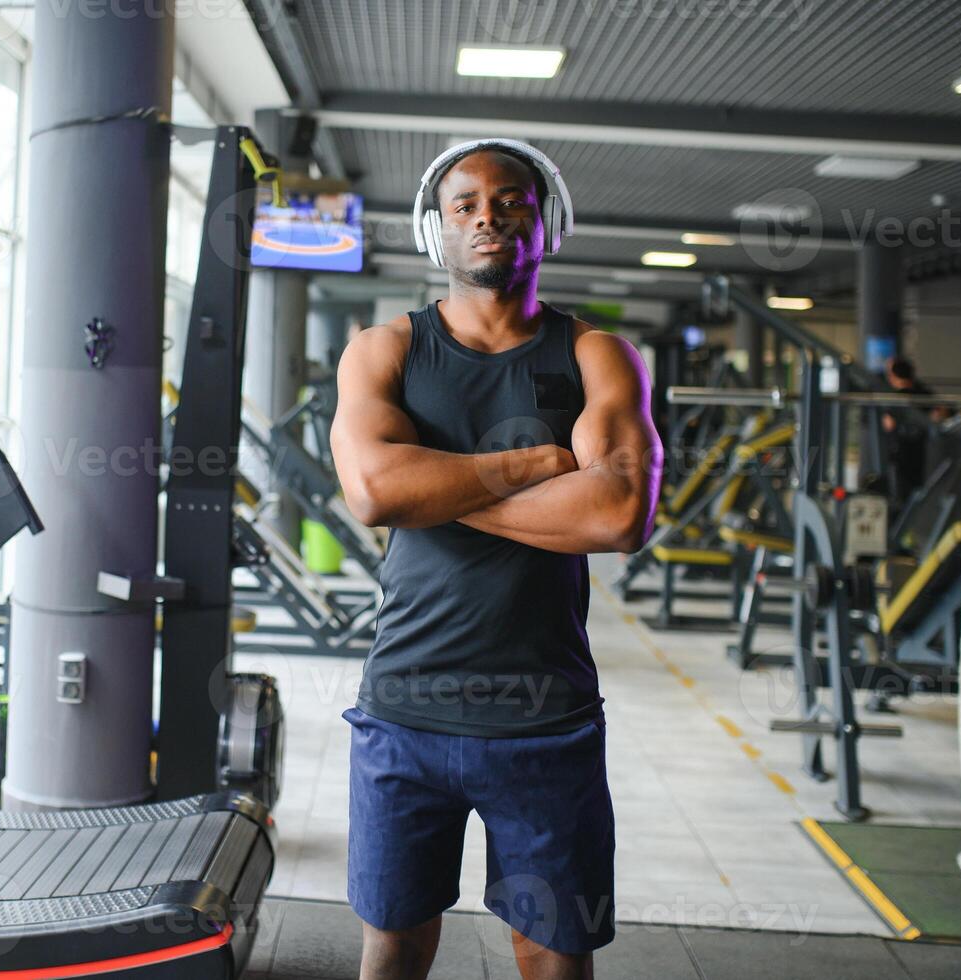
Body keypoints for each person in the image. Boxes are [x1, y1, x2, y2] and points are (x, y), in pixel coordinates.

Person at [330, 138, 662, 980]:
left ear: (544, 219)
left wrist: (434, 487)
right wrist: (532, 467)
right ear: (434, 229)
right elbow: (373, 492)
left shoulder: (595, 355)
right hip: (404, 705)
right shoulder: (384, 351)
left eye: (510, 200)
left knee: (551, 952)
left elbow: (620, 513)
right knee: (393, 945)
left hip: (544, 718)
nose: (488, 216)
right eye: (464, 204)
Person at [880, 355, 945, 510]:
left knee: (900, 494)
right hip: (922, 449)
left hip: (899, 452)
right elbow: (940, 412)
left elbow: (888, 424)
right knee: (918, 488)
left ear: (893, 376)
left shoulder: (893, 398)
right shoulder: (922, 392)